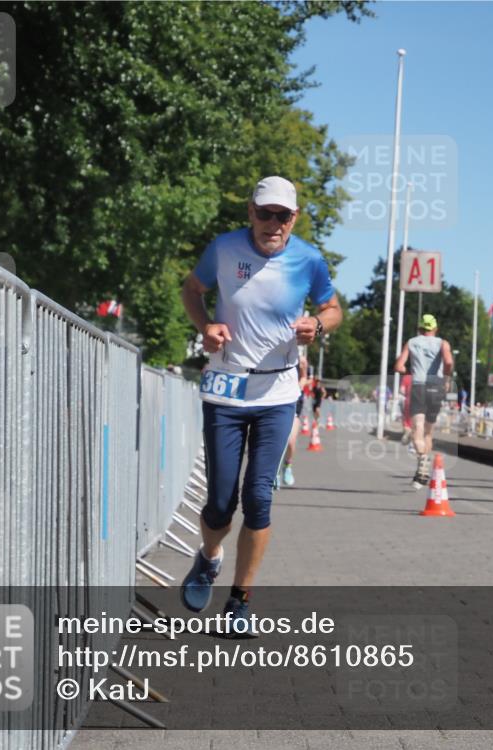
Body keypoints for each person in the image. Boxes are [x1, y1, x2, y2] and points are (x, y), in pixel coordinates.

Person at [180, 175, 342, 630]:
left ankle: (240, 602)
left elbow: (332, 308)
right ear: (250, 212)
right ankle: (210, 556)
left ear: (294, 219)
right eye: (264, 213)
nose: (273, 223)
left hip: (278, 392)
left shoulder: (309, 259)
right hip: (226, 388)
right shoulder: (225, 248)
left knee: (259, 499)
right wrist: (205, 326)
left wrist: (319, 324)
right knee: (219, 502)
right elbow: (192, 289)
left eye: (282, 215)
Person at [394, 314, 454, 488]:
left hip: (419, 386)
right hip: (436, 387)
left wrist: (409, 369)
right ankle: (422, 471)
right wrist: (446, 379)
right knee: (428, 432)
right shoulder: (443, 343)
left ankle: (422, 460)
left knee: (417, 429)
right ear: (435, 329)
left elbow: (398, 366)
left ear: (420, 328)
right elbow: (449, 362)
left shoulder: (412, 342)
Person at [276, 352, 310, 488]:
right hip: (274, 401)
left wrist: (296, 387)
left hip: (293, 402)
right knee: (276, 441)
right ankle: (274, 474)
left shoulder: (301, 360)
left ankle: (287, 465)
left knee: (290, 441)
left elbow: (304, 378)